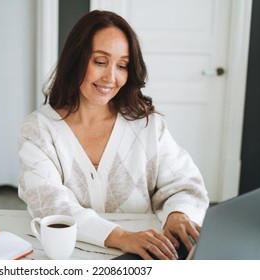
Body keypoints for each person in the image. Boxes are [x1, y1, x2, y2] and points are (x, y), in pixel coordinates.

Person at [18, 10, 209, 260]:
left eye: (122, 66)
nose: (111, 77)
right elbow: (51, 206)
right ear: (76, 60)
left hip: (145, 258)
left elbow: (186, 184)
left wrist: (178, 215)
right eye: (99, 61)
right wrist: (122, 238)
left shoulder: (147, 125)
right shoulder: (39, 129)